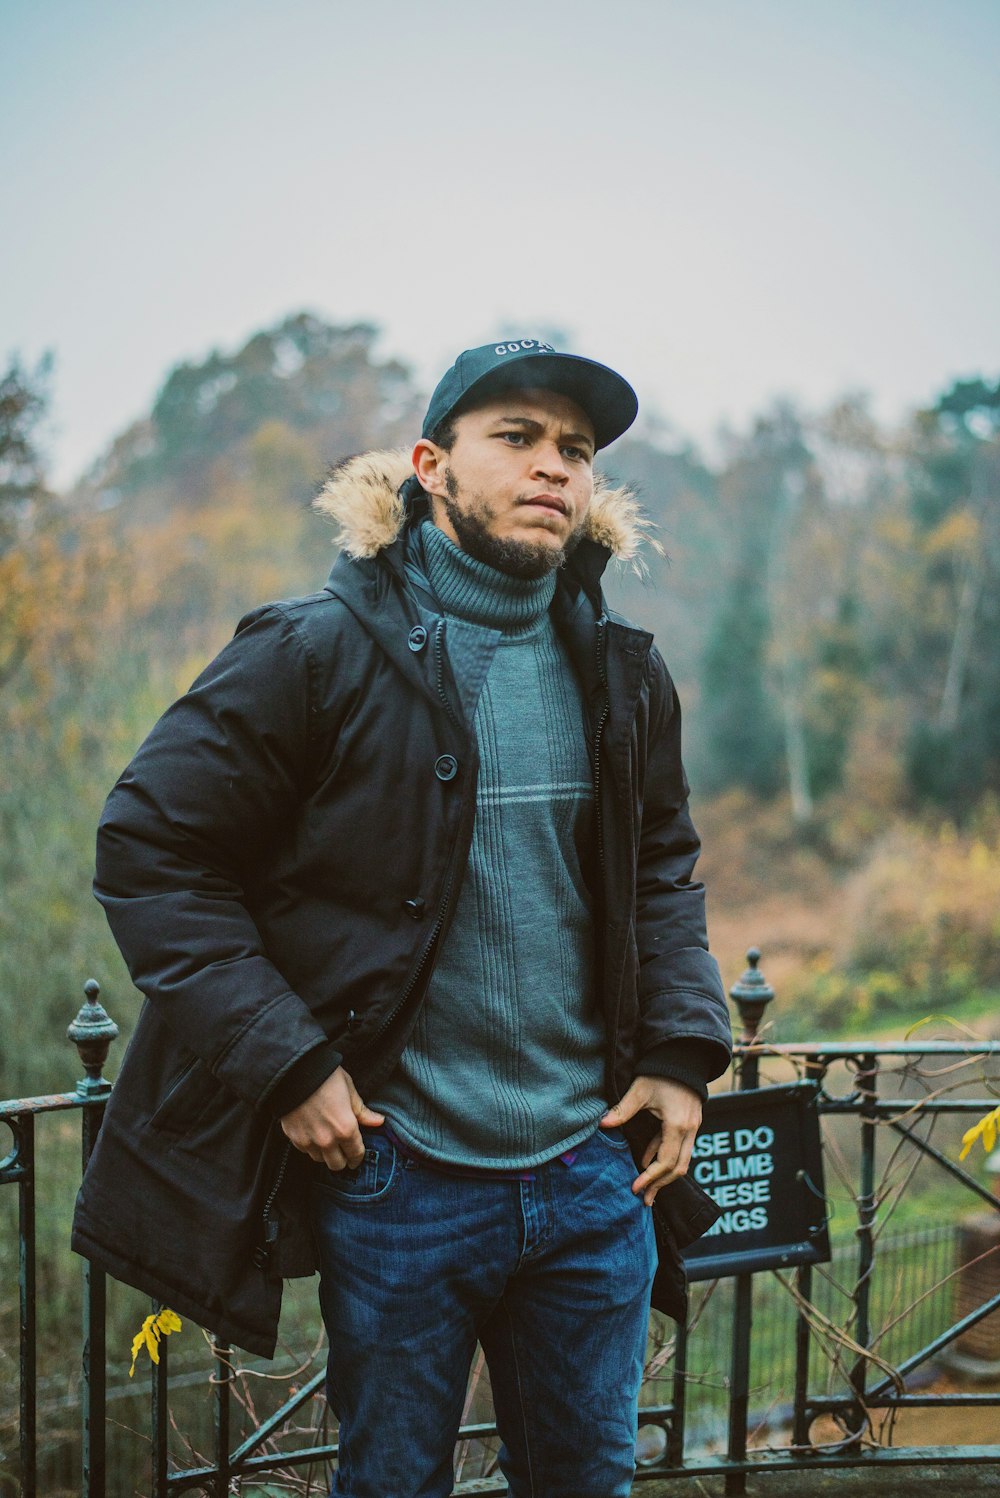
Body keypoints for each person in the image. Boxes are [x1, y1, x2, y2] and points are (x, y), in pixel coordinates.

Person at [74, 338, 732, 1497]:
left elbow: (658, 867)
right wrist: (285, 1064)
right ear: (431, 464)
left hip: (591, 1175)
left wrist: (682, 1053)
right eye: (517, 438)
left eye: (574, 449)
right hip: (398, 1180)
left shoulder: (623, 672)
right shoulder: (312, 653)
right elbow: (151, 851)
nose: (553, 468)